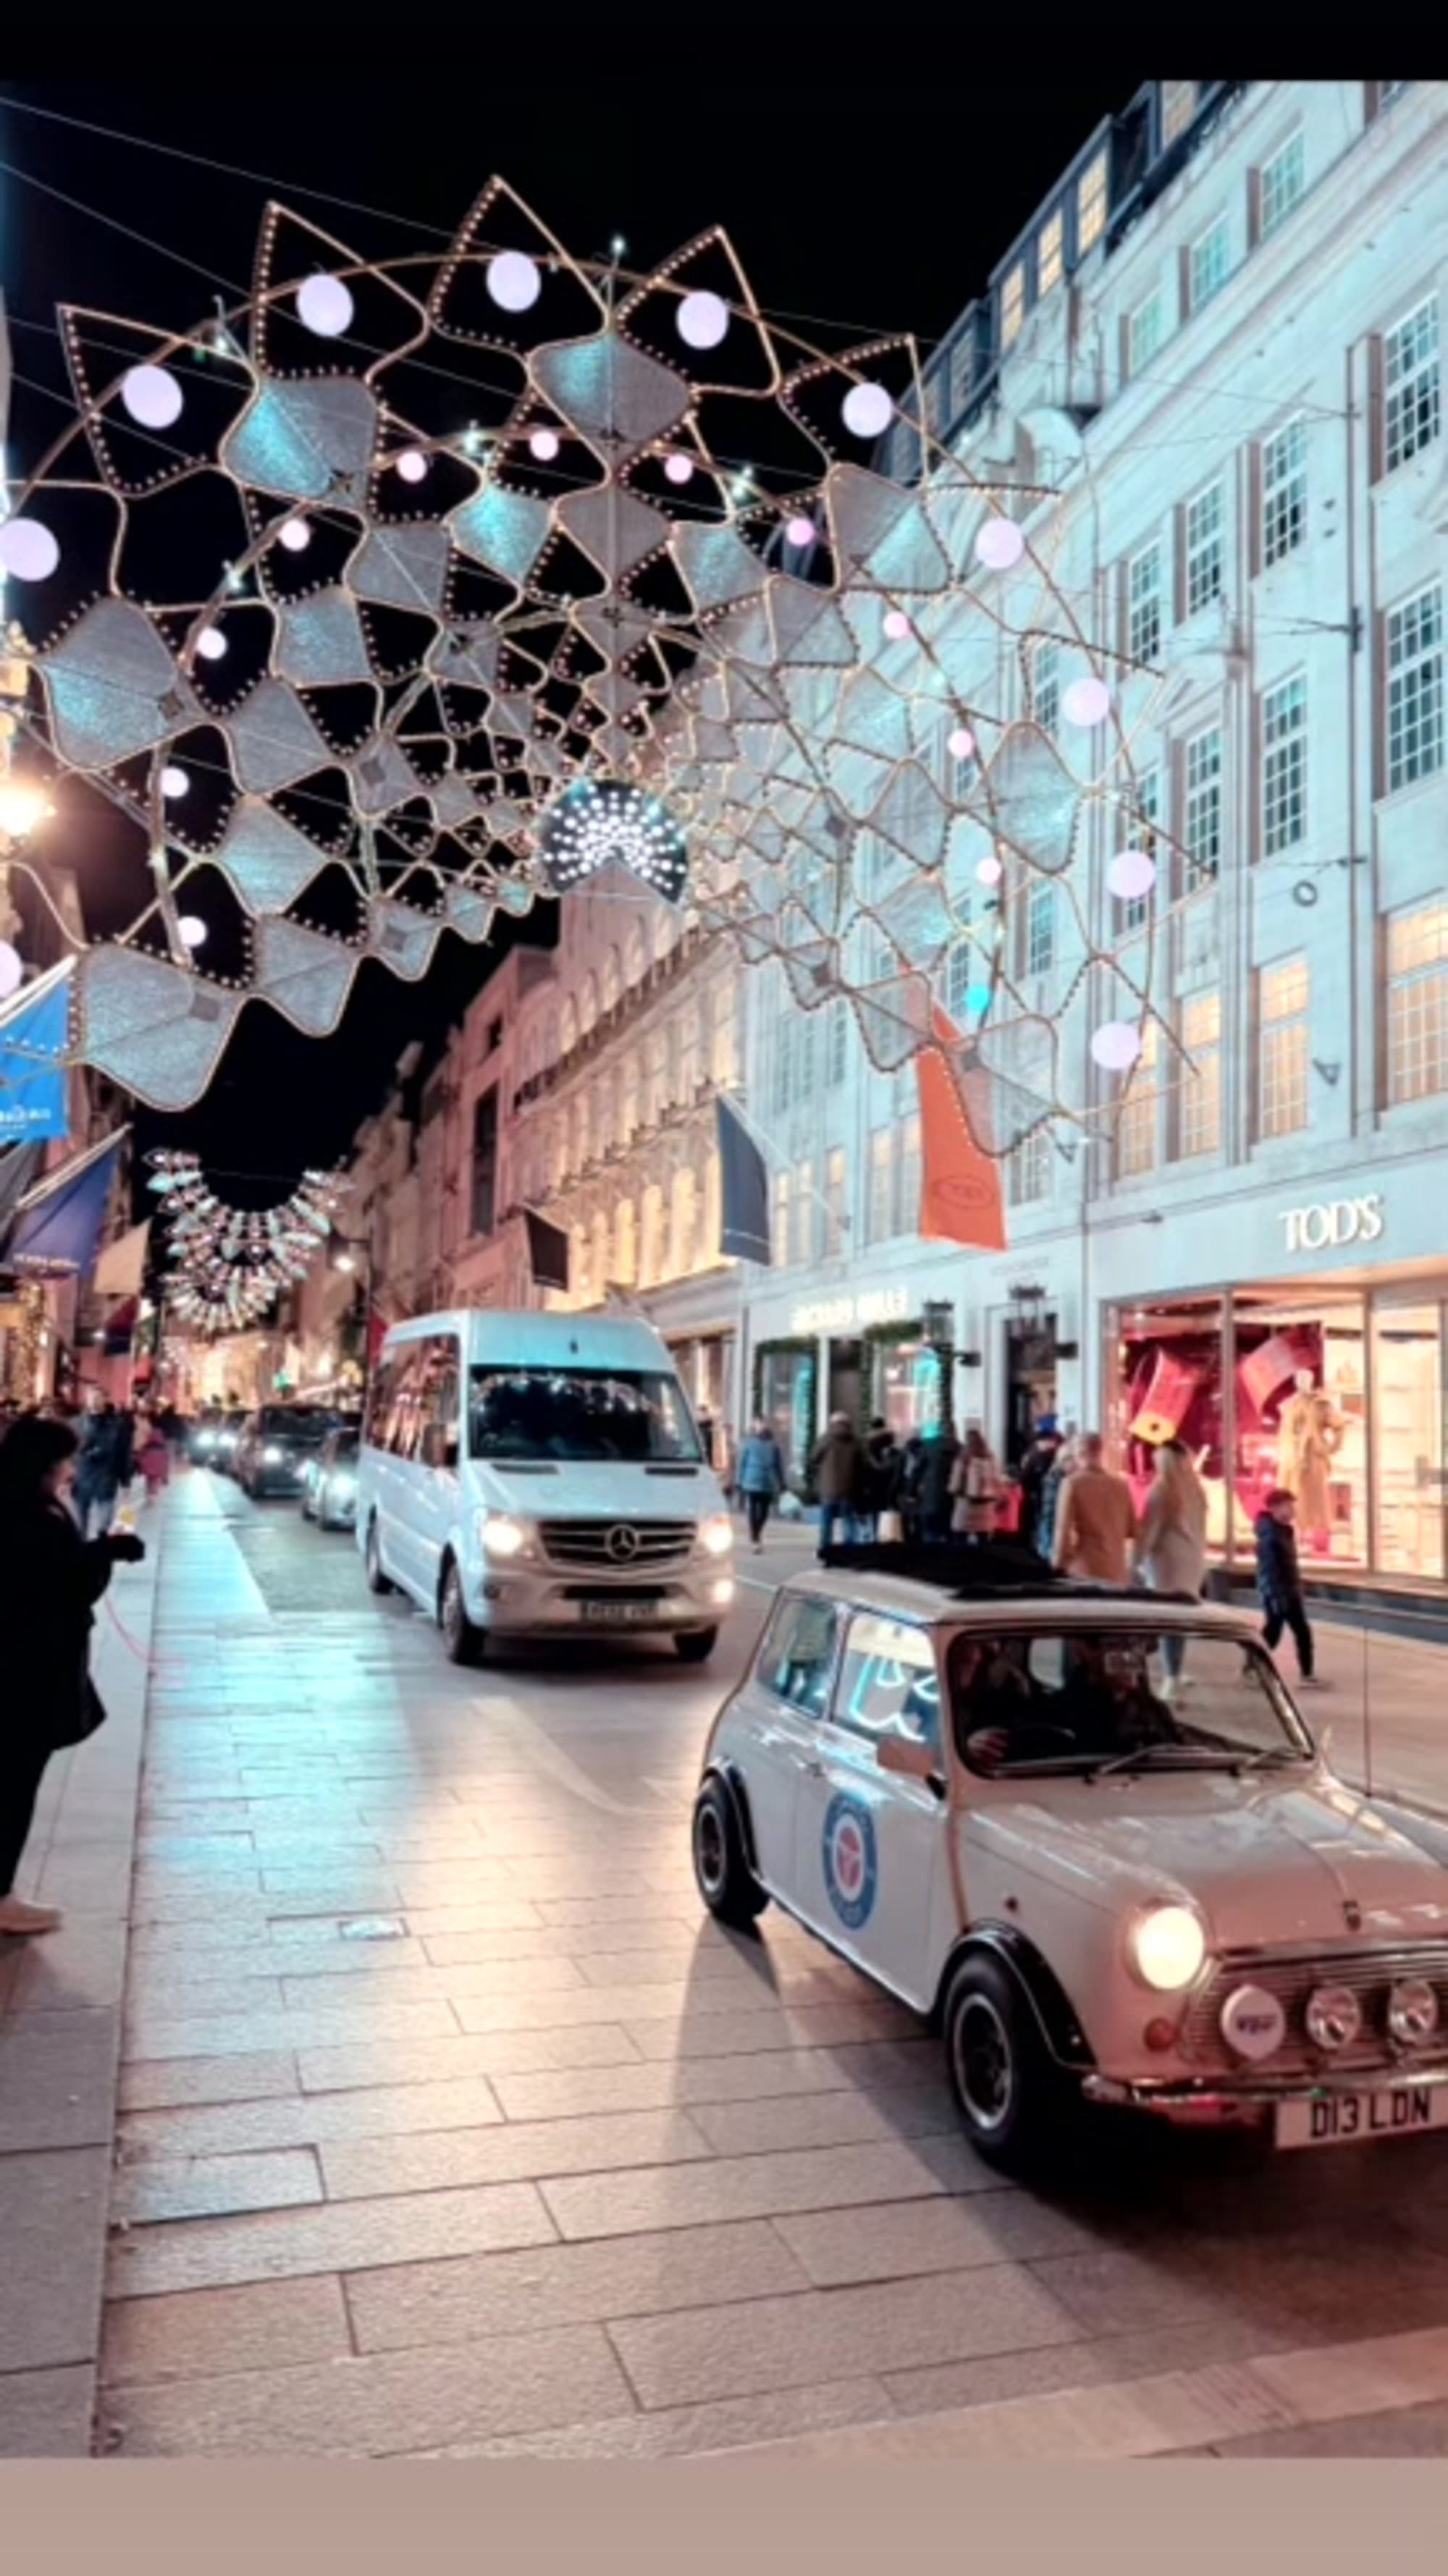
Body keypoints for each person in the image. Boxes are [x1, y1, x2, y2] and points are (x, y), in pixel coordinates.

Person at [0, 1415, 145, 1936]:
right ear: (45, 1463)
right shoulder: (35, 1514)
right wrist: (109, 1549)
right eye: (66, 1459)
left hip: (17, 1664)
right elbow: (65, 1583)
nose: (71, 1469)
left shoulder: (16, 1503)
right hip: (28, 1670)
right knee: (14, 1785)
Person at [1135, 1438, 1208, 1692]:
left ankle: (1170, 1676)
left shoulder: (1162, 1490)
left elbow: (1150, 1531)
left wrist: (1137, 1560)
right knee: (1180, 1619)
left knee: (1161, 1619)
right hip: (1191, 1559)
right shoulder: (1195, 1489)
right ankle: (1174, 1670)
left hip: (1166, 1562)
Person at [1255, 1486, 1321, 1687]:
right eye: (1288, 1506)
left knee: (1295, 1632)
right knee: (1276, 1633)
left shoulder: (1285, 1531)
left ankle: (1306, 1674)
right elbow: (1270, 1568)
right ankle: (1253, 1667)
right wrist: (1277, 1595)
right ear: (1274, 1508)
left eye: (1293, 1506)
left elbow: (1289, 1565)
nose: (1293, 1511)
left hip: (1288, 1590)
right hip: (1278, 1593)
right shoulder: (1270, 1535)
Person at [1052, 1431, 1136, 1584]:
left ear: (1079, 1452)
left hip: (1084, 1569)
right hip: (1117, 1570)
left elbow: (1062, 1531)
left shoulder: (1072, 1483)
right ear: (1100, 1452)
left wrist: (1058, 1563)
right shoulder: (1121, 1486)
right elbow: (1131, 1529)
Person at [71, 1390, 131, 1541]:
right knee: (80, 1526)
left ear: (105, 1400)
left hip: (106, 1477)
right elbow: (68, 1453)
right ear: (86, 1400)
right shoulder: (76, 1423)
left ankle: (101, 1548)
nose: (94, 1401)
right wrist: (65, 1479)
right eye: (91, 1398)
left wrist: (126, 1481)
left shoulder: (117, 1424)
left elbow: (124, 1453)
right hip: (81, 1477)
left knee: (104, 1525)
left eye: (98, 1398)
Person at [809, 1411, 864, 1555]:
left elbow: (814, 1457)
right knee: (848, 1522)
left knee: (827, 1523)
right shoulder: (855, 1441)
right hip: (849, 1490)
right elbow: (862, 1465)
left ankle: (826, 1551)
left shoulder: (826, 1439)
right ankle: (850, 1553)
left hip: (828, 1489)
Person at [736, 1415, 786, 1552]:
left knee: (764, 1512)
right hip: (752, 1480)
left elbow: (778, 1465)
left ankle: (756, 1533)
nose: (761, 1427)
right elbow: (742, 1463)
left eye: (763, 1424)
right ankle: (755, 1536)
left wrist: (782, 1482)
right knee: (753, 1509)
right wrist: (739, 1480)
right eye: (758, 1424)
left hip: (767, 1481)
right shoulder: (748, 1443)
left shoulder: (773, 1444)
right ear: (755, 1427)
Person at [949, 1425, 1000, 1542]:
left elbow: (954, 1486)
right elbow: (997, 1481)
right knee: (984, 1542)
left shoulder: (963, 1458)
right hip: (985, 1508)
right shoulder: (990, 1459)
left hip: (966, 1505)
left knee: (960, 1541)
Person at [917, 1417, 961, 1545]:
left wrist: (911, 1492)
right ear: (954, 1430)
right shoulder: (961, 1448)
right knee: (950, 1535)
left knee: (930, 1534)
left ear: (940, 1430)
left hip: (931, 1497)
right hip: (952, 1499)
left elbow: (917, 1470)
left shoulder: (929, 1446)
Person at [864, 1416, 900, 1538]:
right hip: (889, 1484)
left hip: (873, 1484)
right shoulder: (891, 1443)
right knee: (888, 1513)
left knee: (875, 1514)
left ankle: (876, 1536)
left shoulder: (869, 1446)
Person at [134, 1406, 171, 1506]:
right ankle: (153, 1494)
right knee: (155, 1481)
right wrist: (165, 1477)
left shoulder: (147, 1446)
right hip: (157, 1469)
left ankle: (148, 1495)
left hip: (148, 1468)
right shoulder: (162, 1448)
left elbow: (141, 1454)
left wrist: (139, 1464)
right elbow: (166, 1463)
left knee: (148, 1480)